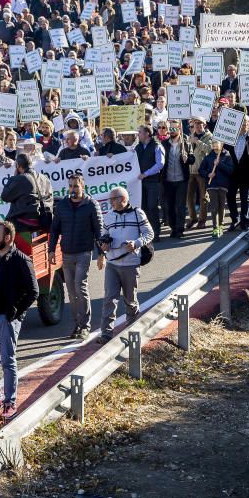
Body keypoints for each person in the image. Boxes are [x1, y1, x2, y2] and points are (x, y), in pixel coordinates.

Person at [0, 220, 39, 420]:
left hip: (7, 320)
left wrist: (14, 312)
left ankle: (10, 401)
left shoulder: (21, 260)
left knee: (7, 361)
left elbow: (33, 291)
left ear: (8, 238)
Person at [49, 175, 103, 339]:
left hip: (84, 253)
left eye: (76, 186)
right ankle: (77, 324)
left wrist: (101, 254)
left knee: (80, 287)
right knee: (71, 292)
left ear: (83, 187)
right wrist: (51, 250)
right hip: (66, 254)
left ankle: (85, 326)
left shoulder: (91, 205)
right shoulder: (62, 206)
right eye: (71, 186)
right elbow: (55, 229)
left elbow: (99, 231)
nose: (73, 189)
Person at [96, 187, 153, 344]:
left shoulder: (137, 214)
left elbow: (150, 233)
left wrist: (136, 243)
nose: (110, 202)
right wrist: (103, 246)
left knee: (130, 300)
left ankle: (132, 330)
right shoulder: (108, 217)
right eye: (110, 199)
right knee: (109, 298)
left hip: (130, 264)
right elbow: (103, 236)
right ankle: (106, 333)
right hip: (112, 264)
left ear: (123, 199)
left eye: (113, 199)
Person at [1, 154, 54, 232]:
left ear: (17, 165)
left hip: (25, 220)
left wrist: (14, 178)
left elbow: (4, 196)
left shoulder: (20, 178)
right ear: (30, 164)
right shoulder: (44, 177)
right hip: (43, 219)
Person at [161, 120, 195, 239]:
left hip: (181, 180)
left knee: (180, 206)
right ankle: (173, 227)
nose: (172, 131)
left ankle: (180, 229)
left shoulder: (185, 143)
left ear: (179, 129)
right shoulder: (164, 144)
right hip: (168, 180)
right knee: (169, 206)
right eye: (171, 129)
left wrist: (187, 158)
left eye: (175, 129)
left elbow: (192, 159)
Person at [134, 125, 165, 241]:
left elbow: (159, 164)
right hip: (141, 183)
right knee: (144, 208)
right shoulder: (138, 147)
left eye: (140, 132)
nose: (138, 134)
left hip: (152, 182)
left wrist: (146, 174)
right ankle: (146, 233)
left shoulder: (157, 146)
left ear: (147, 133)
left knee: (152, 207)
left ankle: (155, 232)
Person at [199, 140, 235, 237]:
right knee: (214, 207)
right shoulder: (208, 157)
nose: (215, 145)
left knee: (221, 207)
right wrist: (208, 174)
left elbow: (230, 170)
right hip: (212, 186)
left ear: (221, 144)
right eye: (213, 143)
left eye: (216, 143)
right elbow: (201, 170)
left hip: (223, 185)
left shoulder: (227, 156)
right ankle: (215, 228)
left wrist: (220, 164)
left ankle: (220, 225)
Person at [186, 116, 213, 229]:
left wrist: (198, 142)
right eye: (195, 124)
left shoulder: (209, 136)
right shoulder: (190, 136)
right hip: (191, 170)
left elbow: (210, 150)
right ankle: (193, 218)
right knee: (189, 197)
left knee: (203, 197)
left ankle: (202, 220)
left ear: (204, 124)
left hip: (202, 171)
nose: (197, 125)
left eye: (199, 123)